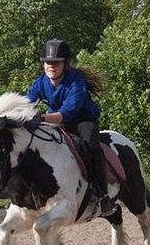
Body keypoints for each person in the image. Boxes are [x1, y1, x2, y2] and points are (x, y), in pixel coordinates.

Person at [26, 38, 116, 217]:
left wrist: (41, 117)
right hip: (55, 121)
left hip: (82, 120)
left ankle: (103, 196)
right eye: (48, 62)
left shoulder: (76, 81)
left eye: (56, 63)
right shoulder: (39, 83)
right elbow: (26, 103)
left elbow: (68, 112)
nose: (51, 66)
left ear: (65, 64)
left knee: (92, 145)